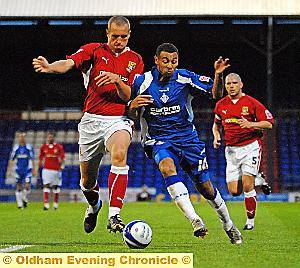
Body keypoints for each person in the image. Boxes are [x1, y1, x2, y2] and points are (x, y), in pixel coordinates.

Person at [32, 16, 144, 233]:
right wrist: (50, 67)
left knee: (119, 154)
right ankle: (94, 206)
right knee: (87, 182)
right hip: (92, 121)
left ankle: (115, 216)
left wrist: (117, 80)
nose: (119, 41)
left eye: (123, 37)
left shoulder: (135, 60)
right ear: (107, 34)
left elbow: (129, 95)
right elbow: (68, 64)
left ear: (129, 35)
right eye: (115, 36)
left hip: (118, 119)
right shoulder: (94, 51)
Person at [128, 43, 242, 244]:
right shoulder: (141, 82)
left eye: (174, 61)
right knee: (167, 168)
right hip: (158, 139)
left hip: (188, 140)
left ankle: (228, 225)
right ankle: (195, 220)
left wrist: (217, 75)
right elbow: (130, 113)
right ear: (156, 61)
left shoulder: (185, 78)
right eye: (165, 61)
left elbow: (215, 94)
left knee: (206, 189)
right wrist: (132, 105)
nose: (170, 66)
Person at [212, 73, 274, 230]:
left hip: (250, 147)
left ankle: (250, 223)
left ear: (241, 84)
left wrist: (251, 125)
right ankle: (259, 179)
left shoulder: (251, 103)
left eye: (234, 83)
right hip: (231, 150)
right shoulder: (220, 104)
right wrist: (216, 135)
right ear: (225, 86)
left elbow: (269, 124)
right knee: (233, 192)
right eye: (228, 84)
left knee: (247, 186)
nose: (231, 86)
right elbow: (216, 124)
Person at [7, 132, 36, 209]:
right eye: (20, 137)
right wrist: (9, 170)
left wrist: (34, 169)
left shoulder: (29, 147)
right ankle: (20, 204)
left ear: (24, 138)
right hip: (18, 170)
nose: (21, 138)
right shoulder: (16, 148)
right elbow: (11, 159)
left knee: (27, 186)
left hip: (27, 170)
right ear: (18, 138)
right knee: (19, 187)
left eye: (23, 137)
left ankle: (24, 198)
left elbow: (32, 159)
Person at [38, 132, 65, 210]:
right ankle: (46, 204)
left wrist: (62, 166)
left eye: (52, 137)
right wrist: (37, 168)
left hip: (56, 170)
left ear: (54, 138)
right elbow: (40, 158)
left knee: (55, 187)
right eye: (49, 137)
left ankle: (55, 204)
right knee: (46, 185)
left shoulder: (59, 147)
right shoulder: (43, 147)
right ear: (47, 138)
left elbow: (63, 157)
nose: (50, 138)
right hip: (46, 169)